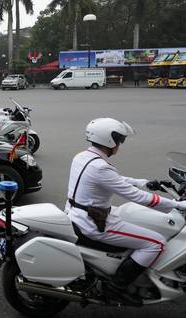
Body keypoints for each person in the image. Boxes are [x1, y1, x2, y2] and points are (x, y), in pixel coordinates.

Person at [65, 118, 186, 305]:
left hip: (79, 213)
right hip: (94, 223)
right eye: (120, 139)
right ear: (110, 140)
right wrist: (177, 205)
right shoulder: (101, 167)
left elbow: (116, 180)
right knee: (157, 243)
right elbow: (138, 197)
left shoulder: (83, 157)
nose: (121, 144)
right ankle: (116, 288)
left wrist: (145, 183)